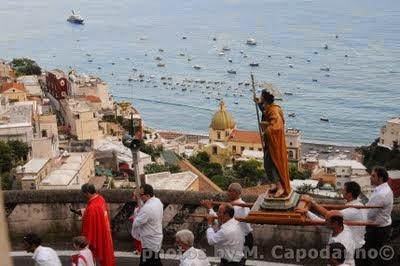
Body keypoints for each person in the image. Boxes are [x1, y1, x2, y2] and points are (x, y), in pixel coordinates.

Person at [307, 181, 366, 250]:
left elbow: (330, 215)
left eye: (344, 190)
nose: (342, 191)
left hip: (351, 247)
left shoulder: (354, 210)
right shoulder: (359, 205)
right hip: (354, 245)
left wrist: (312, 202)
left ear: (349, 194)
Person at [254, 89, 290, 198]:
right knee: (268, 164)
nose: (260, 97)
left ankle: (280, 187)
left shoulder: (274, 110)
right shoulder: (269, 107)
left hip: (274, 143)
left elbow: (277, 125)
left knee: (271, 164)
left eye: (261, 97)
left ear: (265, 98)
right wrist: (258, 103)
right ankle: (276, 184)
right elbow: (265, 111)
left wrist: (267, 129)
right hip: (270, 142)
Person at [201, 183, 253, 257]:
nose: (227, 193)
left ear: (235, 192)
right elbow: (221, 217)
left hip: (242, 238)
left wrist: (210, 208)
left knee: (232, 260)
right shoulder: (241, 204)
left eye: (229, 191)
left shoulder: (237, 207)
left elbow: (220, 219)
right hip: (243, 237)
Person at [363, 166, 394, 266]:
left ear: (380, 178)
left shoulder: (381, 194)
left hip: (377, 230)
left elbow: (369, 214)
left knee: (369, 255)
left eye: (373, 176)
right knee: (380, 255)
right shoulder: (383, 189)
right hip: (383, 227)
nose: (370, 177)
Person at [81, 183, 115, 266]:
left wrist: (84, 242)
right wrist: (84, 212)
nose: (83, 195)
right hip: (105, 231)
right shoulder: (100, 199)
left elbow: (89, 229)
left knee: (94, 258)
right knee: (106, 253)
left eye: (84, 193)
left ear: (87, 193)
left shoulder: (92, 208)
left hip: (98, 235)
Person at [132, 184, 164, 266]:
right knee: (155, 261)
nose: (139, 197)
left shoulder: (148, 208)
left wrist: (136, 214)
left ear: (148, 195)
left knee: (146, 262)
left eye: (141, 195)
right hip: (156, 237)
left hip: (149, 241)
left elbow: (137, 222)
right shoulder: (157, 201)